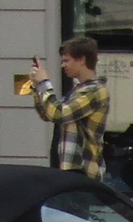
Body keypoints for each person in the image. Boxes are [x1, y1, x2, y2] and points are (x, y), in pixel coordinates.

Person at [29, 39, 109, 181]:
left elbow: (59, 114)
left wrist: (44, 83)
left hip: (81, 167)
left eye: (67, 60)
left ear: (82, 60)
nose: (63, 65)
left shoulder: (96, 91)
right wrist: (37, 87)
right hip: (67, 166)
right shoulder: (78, 90)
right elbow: (47, 114)